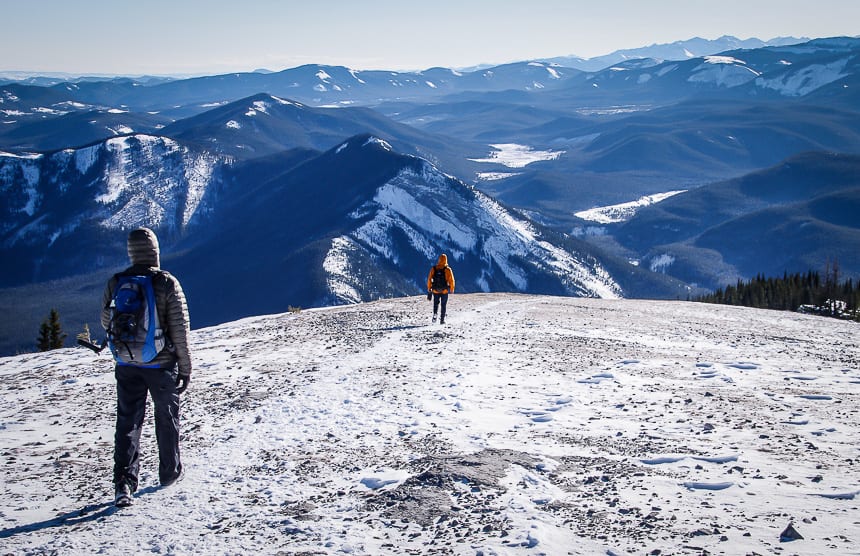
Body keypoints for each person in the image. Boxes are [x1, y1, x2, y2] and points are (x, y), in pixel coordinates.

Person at [101, 227, 192, 506]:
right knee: (167, 418)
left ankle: (124, 484)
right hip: (162, 365)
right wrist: (185, 367)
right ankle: (169, 472)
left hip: (127, 363)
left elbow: (107, 322)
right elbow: (179, 330)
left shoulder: (117, 282)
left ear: (131, 252)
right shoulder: (166, 283)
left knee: (128, 421)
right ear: (155, 251)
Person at [427, 253, 455, 324]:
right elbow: (451, 280)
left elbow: (429, 279)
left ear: (439, 259)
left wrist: (429, 288)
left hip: (435, 290)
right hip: (444, 291)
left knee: (435, 303)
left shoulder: (434, 269)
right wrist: (452, 288)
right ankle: (442, 320)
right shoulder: (447, 270)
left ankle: (435, 314)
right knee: (443, 305)